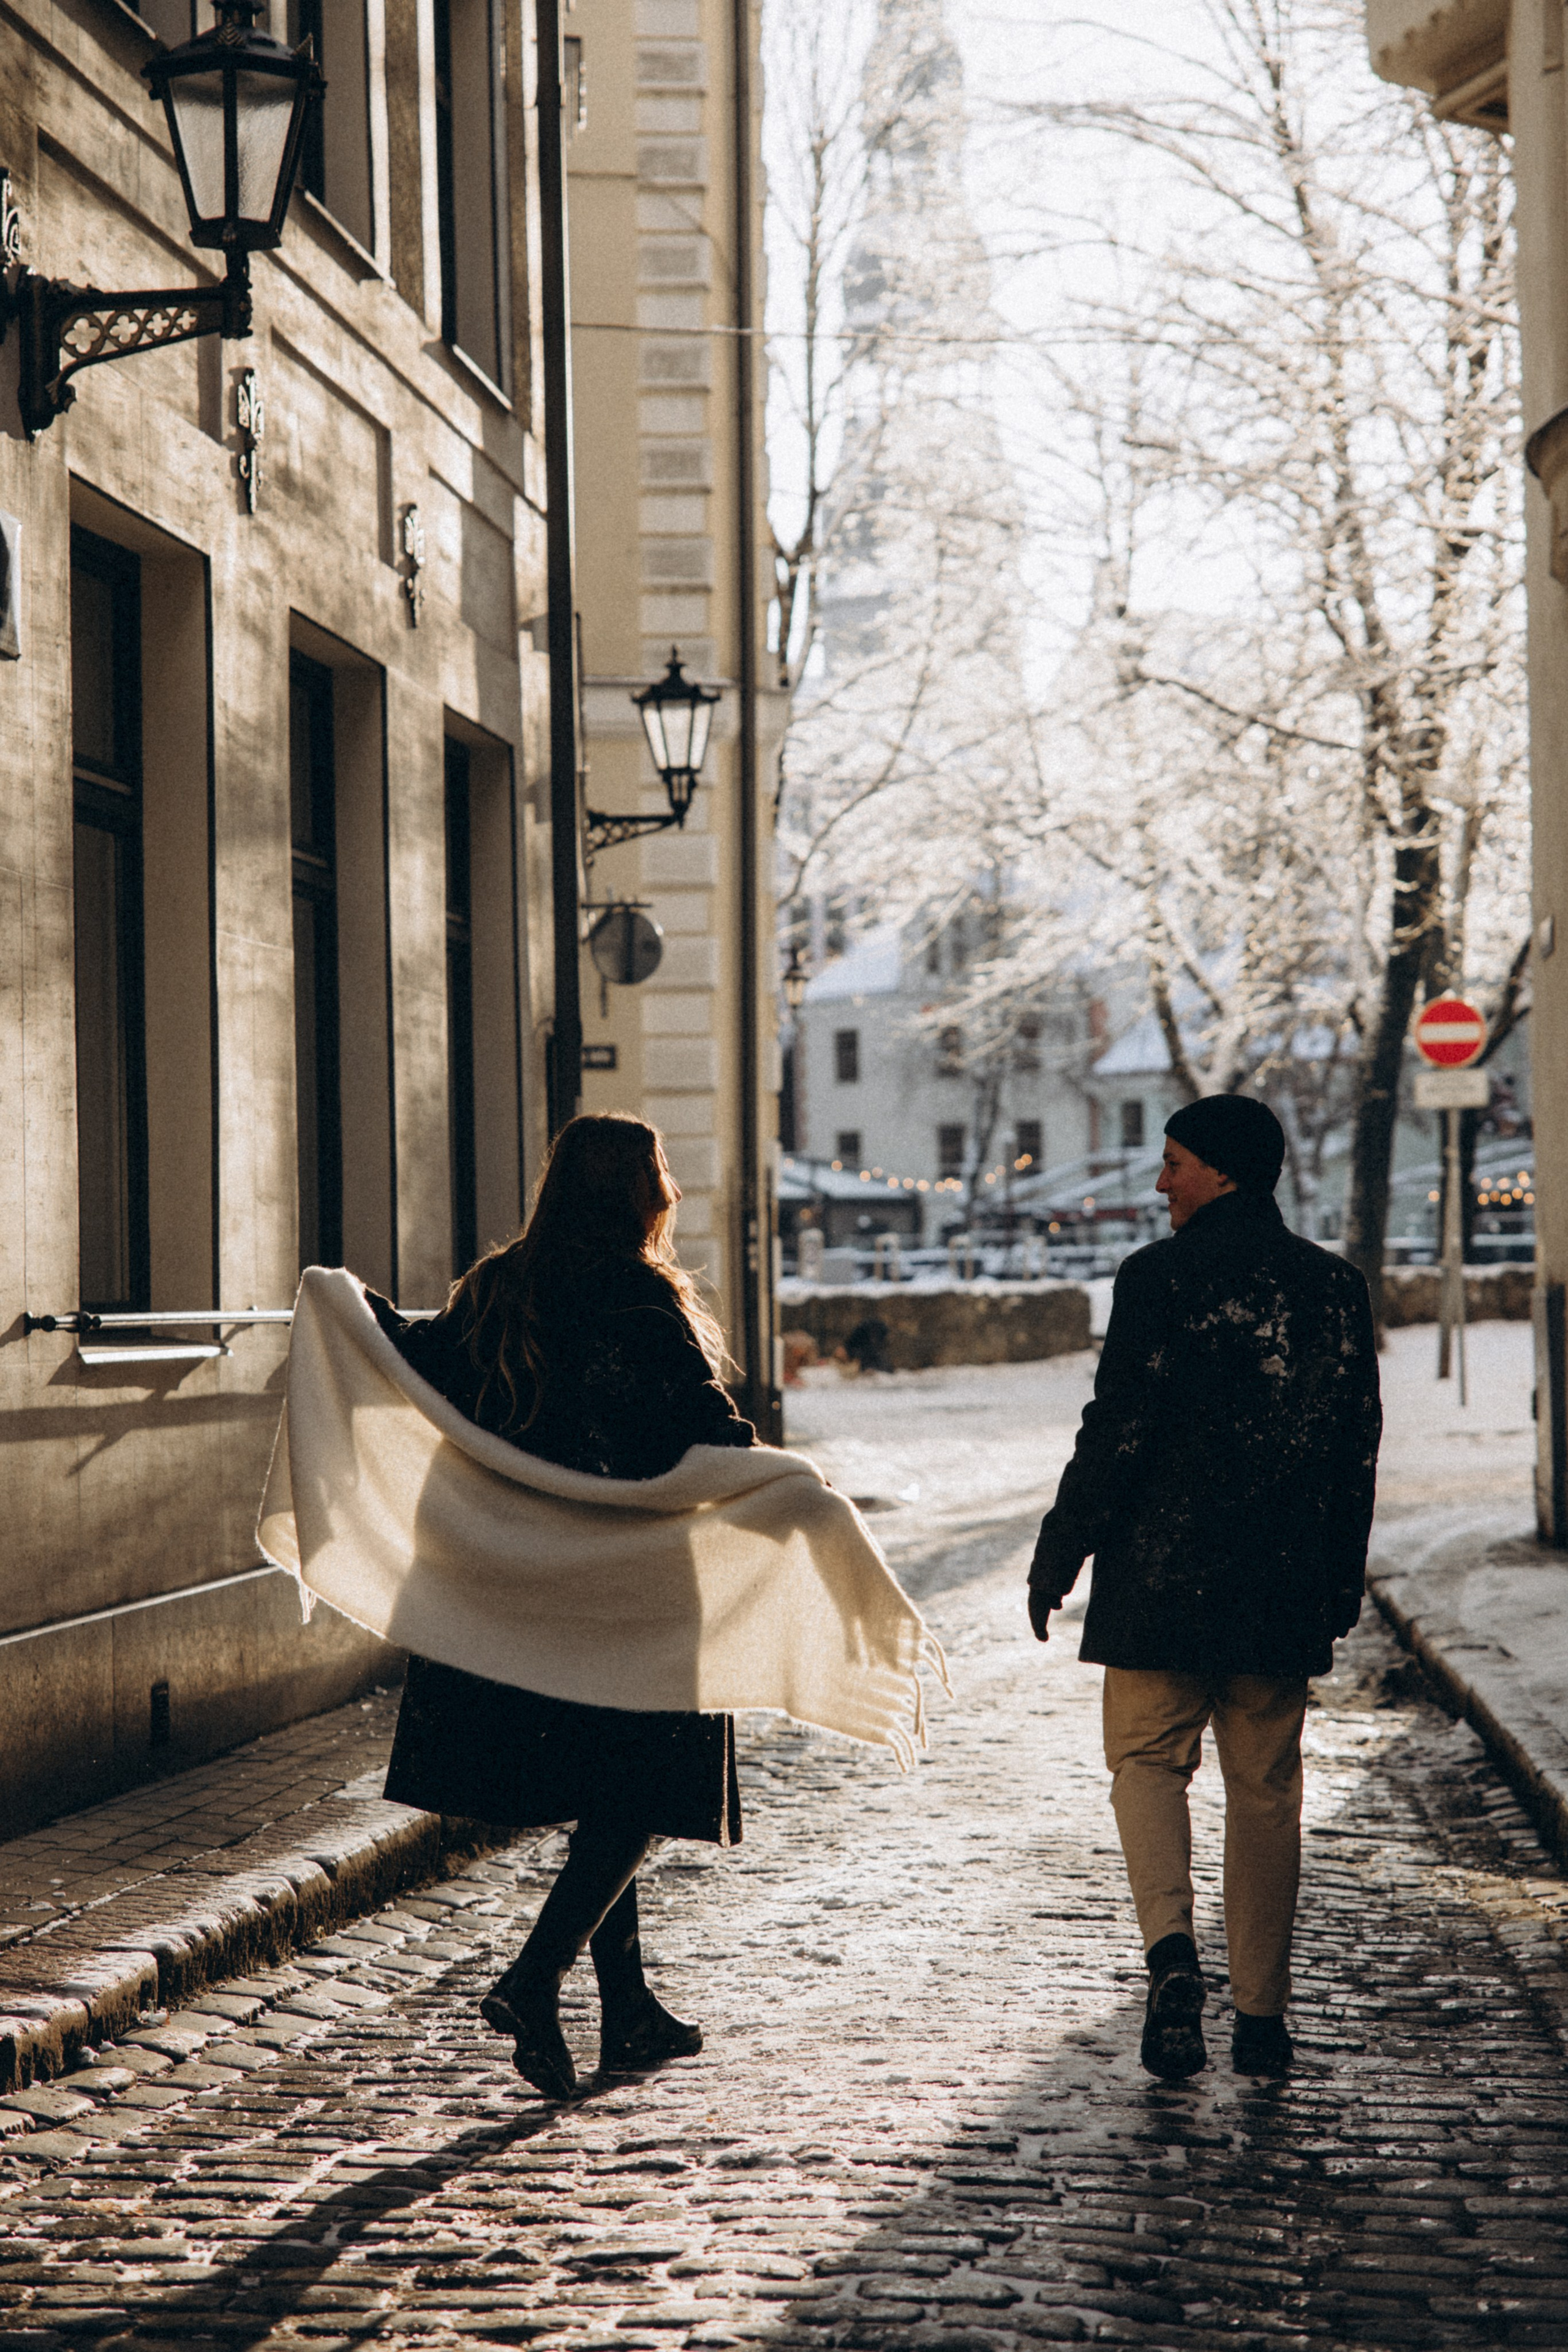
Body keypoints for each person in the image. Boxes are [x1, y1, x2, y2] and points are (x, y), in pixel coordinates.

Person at [368, 1112, 755, 2103]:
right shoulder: (639, 1295)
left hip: (519, 1583)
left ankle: (627, 2011)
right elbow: (704, 1432)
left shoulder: (498, 1287)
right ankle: (535, 1981)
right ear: (640, 1190)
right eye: (657, 1173)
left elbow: (417, 1363)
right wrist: (790, 1489)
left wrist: (352, 1310)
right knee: (640, 1786)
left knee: (597, 1784)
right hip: (628, 1584)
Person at [1027, 1096, 1381, 2080]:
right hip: (1278, 1583)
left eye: (1174, 1162)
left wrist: (1063, 1551)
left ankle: (1173, 1957)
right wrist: (1338, 1579)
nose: (1159, 1181)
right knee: (1265, 1790)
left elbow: (1120, 1429)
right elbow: (1355, 1449)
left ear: (1222, 1171)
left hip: (1160, 1576)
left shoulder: (1157, 1280)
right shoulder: (1333, 1289)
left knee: (1146, 1763)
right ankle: (1262, 2016)